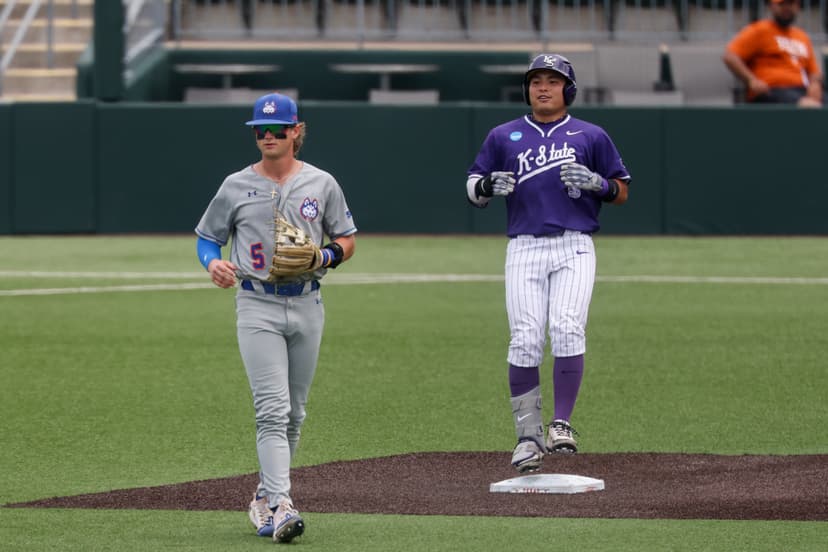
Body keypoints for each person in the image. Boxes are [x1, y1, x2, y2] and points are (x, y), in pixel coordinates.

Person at [195, 92, 357, 543]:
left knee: (295, 413)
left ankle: (263, 499)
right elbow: (208, 237)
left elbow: (346, 239)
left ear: (296, 131)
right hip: (257, 302)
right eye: (260, 130)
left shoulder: (322, 183)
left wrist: (325, 253)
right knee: (272, 409)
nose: (268, 136)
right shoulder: (235, 185)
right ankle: (281, 504)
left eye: (277, 129)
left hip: (308, 302)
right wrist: (213, 263)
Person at [465, 54, 630, 473]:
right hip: (524, 246)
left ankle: (561, 424)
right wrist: (485, 185)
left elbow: (622, 189)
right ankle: (526, 437)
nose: (543, 87)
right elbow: (472, 187)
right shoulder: (504, 135)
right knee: (524, 337)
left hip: (575, 244)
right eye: (536, 81)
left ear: (567, 90)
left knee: (567, 326)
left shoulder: (590, 135)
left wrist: (599, 184)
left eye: (553, 81)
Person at [723, 0, 824, 106]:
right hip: (770, 90)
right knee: (807, 105)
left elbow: (814, 71)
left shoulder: (802, 36)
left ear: (797, 6)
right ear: (771, 6)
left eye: (790, 4)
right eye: (781, 4)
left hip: (802, 89)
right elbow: (730, 56)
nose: (786, 8)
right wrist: (751, 80)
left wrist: (815, 84)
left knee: (814, 102)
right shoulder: (759, 30)